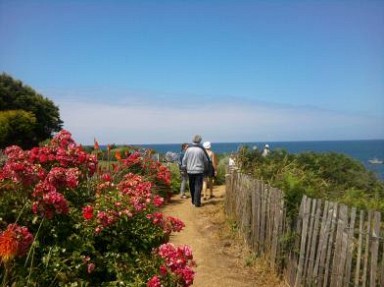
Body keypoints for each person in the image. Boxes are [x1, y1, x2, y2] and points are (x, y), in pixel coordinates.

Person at [181, 135, 209, 207]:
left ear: (192, 140)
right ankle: (197, 202)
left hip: (190, 171)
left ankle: (193, 201)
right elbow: (206, 161)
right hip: (199, 171)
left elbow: (184, 160)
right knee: (198, 186)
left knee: (192, 186)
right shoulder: (201, 150)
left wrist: (184, 167)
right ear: (200, 141)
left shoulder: (188, 150)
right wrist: (206, 168)